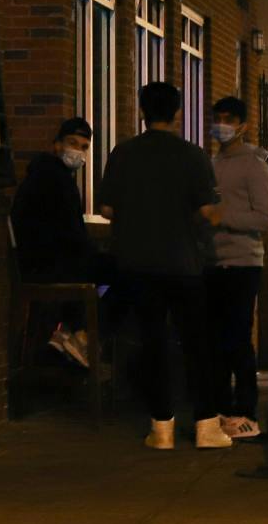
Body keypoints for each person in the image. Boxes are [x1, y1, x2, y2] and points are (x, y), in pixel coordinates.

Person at [98, 81, 229, 450]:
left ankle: (161, 428)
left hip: (137, 263)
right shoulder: (193, 156)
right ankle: (206, 425)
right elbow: (209, 212)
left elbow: (106, 209)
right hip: (184, 263)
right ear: (177, 114)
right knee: (195, 343)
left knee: (152, 342)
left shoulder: (123, 154)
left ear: (142, 111)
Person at [9, 117, 114, 369]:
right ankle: (82, 335)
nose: (78, 151)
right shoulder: (58, 180)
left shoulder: (42, 174)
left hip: (38, 262)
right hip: (49, 266)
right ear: (57, 145)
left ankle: (68, 332)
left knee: (101, 273)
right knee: (120, 274)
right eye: (72, 143)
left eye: (83, 147)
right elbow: (72, 236)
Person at [205, 97, 268, 440]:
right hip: (211, 261)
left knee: (237, 338)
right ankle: (220, 408)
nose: (222, 125)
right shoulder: (210, 163)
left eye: (229, 119)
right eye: (218, 118)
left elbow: (267, 217)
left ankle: (246, 411)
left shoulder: (254, 165)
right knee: (215, 340)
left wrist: (224, 217)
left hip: (243, 262)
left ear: (243, 125)